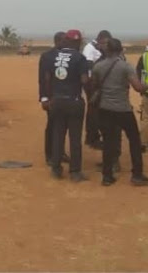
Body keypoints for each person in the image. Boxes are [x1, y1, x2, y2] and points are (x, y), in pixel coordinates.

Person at [91, 38, 148, 187]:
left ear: (107, 50)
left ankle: (107, 176)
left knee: (108, 142)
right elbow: (138, 87)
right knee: (134, 140)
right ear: (120, 50)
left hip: (105, 108)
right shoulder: (126, 67)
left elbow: (94, 85)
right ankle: (137, 174)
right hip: (123, 109)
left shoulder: (98, 67)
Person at [41, 29, 89, 182]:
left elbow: (46, 79)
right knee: (75, 138)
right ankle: (75, 172)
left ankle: (56, 169)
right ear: (77, 42)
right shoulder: (80, 58)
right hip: (74, 101)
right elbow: (84, 81)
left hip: (57, 101)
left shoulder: (52, 57)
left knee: (57, 135)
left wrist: (48, 98)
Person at [39, 31, 69, 166]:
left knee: (63, 126)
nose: (67, 43)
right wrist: (44, 98)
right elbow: (42, 80)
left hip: (66, 97)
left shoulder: (69, 56)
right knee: (52, 126)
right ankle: (50, 155)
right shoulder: (47, 56)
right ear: (57, 41)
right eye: (64, 40)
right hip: (52, 97)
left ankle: (60, 152)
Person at [82, 30, 113, 149]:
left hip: (96, 81)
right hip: (91, 82)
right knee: (94, 110)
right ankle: (92, 137)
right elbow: (88, 65)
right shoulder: (90, 48)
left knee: (94, 110)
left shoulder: (97, 48)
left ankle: (91, 136)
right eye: (105, 43)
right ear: (100, 40)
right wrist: (92, 83)